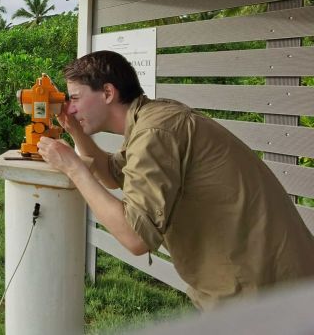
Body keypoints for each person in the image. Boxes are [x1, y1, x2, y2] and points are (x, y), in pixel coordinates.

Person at [37, 50, 314, 310]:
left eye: (74, 98)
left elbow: (135, 238)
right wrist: (75, 132)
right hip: (262, 286)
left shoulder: (156, 131)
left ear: (108, 92)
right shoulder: (152, 120)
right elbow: (111, 173)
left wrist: (74, 168)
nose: (69, 108)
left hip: (267, 293)